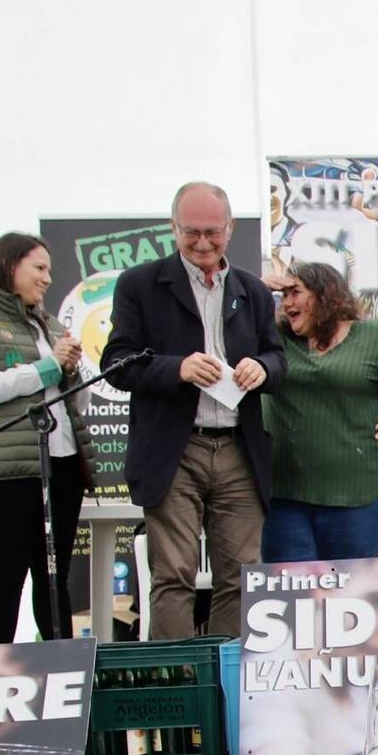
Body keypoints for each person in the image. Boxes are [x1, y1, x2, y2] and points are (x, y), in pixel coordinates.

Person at [105, 181, 286, 638]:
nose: (203, 243)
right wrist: (176, 369)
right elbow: (115, 364)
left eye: (212, 232)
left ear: (229, 229)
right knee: (173, 575)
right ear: (173, 229)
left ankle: (227, 681)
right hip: (174, 449)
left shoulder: (253, 291)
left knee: (243, 577)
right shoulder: (140, 285)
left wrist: (262, 369)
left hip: (238, 449)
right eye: (191, 233)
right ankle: (177, 683)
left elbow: (279, 359)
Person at [0, 233, 92, 642]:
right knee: (9, 570)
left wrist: (70, 371)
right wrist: (50, 366)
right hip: (7, 469)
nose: (48, 278)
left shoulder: (48, 324)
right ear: (10, 266)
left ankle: (63, 669)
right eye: (39, 268)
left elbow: (74, 403)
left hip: (61, 461)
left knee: (54, 574)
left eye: (49, 269)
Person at [258, 261, 378, 562]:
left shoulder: (375, 338)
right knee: (293, 594)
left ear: (325, 293)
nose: (287, 302)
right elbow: (230, 325)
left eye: (295, 292)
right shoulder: (274, 339)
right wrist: (259, 288)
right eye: (284, 294)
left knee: (350, 593)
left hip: (363, 492)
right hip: (285, 495)